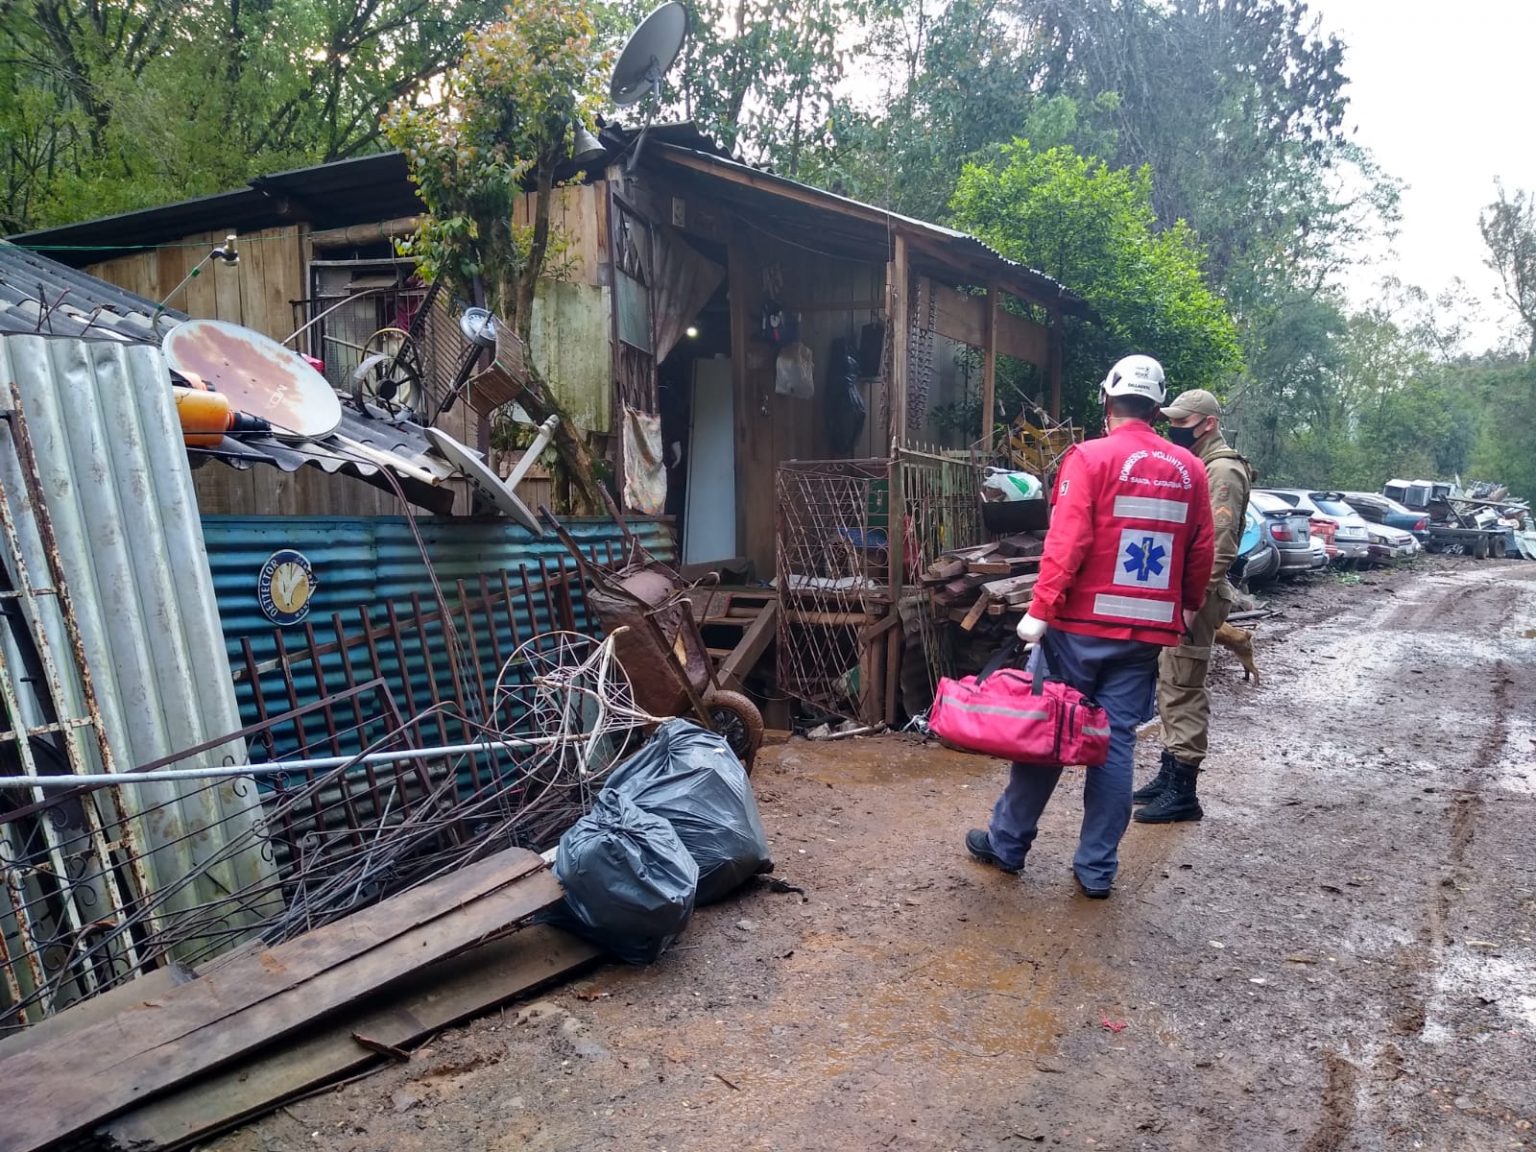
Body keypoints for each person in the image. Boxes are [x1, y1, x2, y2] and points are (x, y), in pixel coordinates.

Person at [965, 355, 1215, 897]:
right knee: (1115, 742)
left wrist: (1040, 609)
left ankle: (1007, 844)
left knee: (1049, 730)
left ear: (1107, 399)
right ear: (1158, 408)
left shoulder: (1090, 458)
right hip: (1146, 632)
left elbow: (1068, 541)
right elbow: (1201, 547)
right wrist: (1189, 605)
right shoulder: (1190, 470)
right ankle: (1097, 869)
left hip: (1079, 627)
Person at [1132, 388, 1254, 823]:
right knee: (1171, 680)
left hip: (1196, 598)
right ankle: (1169, 773)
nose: (1173, 429)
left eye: (1182, 423)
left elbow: (1220, 545)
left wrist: (1193, 600)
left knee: (1184, 685)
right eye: (1171, 422)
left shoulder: (1222, 470)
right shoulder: (1199, 464)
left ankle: (1184, 791)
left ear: (1209, 423)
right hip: (1181, 594)